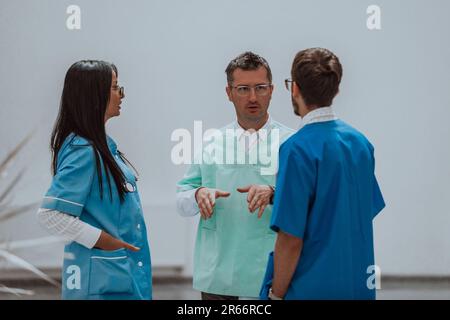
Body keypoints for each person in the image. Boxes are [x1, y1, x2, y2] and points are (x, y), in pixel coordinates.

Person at [260, 48, 385, 300]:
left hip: (310, 288)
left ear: (293, 88)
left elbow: (290, 238)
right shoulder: (361, 144)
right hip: (357, 287)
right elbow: (355, 211)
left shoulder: (296, 149)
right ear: (336, 90)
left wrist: (276, 294)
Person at [176, 52, 294, 299]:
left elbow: (308, 202)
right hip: (217, 275)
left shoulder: (291, 143)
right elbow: (182, 201)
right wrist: (198, 194)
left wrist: (273, 193)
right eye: (243, 89)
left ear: (272, 90)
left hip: (268, 275)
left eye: (260, 88)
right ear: (229, 93)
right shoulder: (212, 143)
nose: (253, 97)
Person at [37, 60, 152, 300]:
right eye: (114, 87)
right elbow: (51, 214)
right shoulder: (83, 150)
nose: (121, 94)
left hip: (119, 277)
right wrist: (103, 241)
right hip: (102, 282)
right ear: (93, 95)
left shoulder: (103, 148)